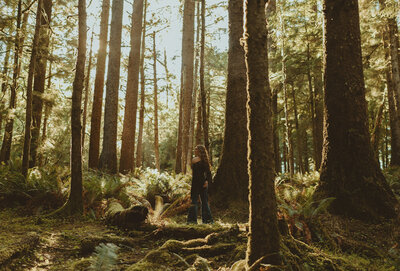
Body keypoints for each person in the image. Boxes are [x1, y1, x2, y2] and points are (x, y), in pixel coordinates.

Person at [187, 145, 213, 224]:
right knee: (202, 201)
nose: (194, 151)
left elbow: (207, 173)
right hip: (201, 183)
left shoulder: (195, 159)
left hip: (198, 183)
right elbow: (208, 173)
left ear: (199, 151)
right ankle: (207, 221)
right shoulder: (205, 160)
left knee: (195, 201)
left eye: (196, 149)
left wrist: (206, 182)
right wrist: (206, 181)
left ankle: (192, 221)